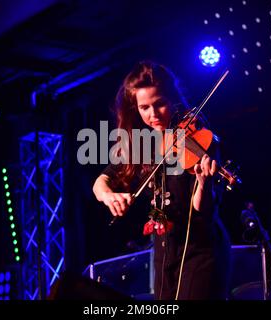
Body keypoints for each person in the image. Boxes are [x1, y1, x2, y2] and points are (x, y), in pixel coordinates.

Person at [92, 61, 231, 300]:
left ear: (172, 99)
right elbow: (100, 183)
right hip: (164, 251)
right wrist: (109, 196)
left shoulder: (198, 137)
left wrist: (204, 184)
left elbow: (204, 211)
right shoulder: (141, 144)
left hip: (201, 250)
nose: (153, 115)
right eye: (144, 107)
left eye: (160, 104)